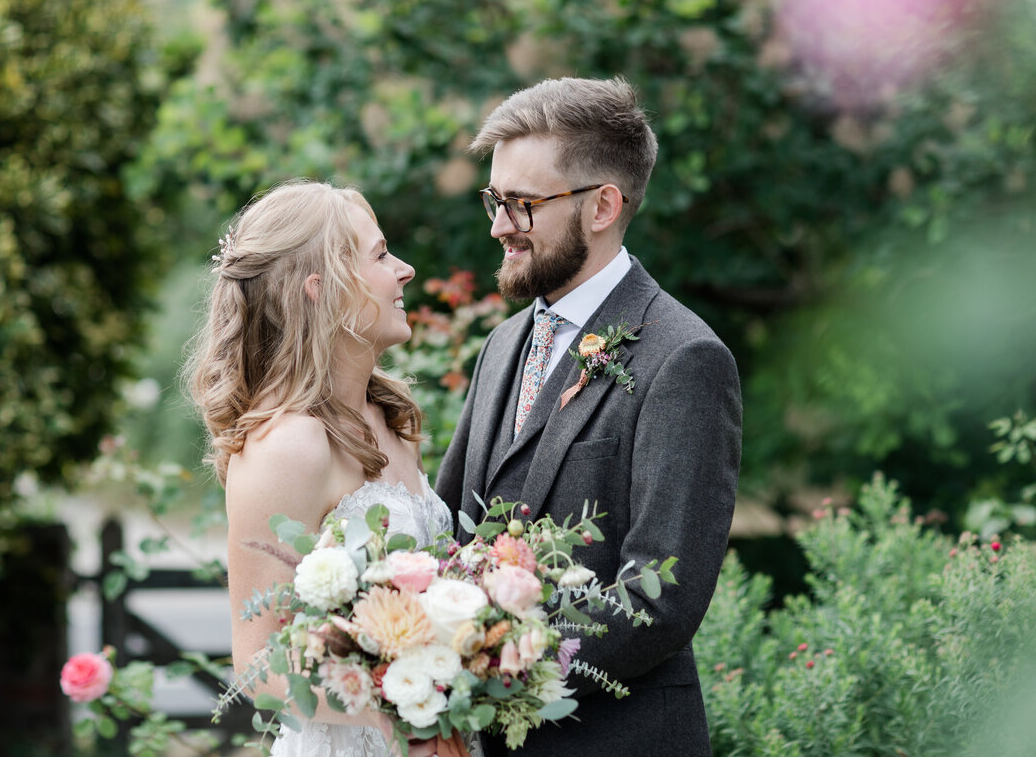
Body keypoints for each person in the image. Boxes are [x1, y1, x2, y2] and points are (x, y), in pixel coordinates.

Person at [435, 77, 742, 756]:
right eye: (494, 200)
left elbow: (660, 601)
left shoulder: (684, 358)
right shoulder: (503, 344)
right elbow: (449, 522)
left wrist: (496, 657)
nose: (497, 227)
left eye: (521, 205)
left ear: (602, 206)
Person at [186, 181, 467, 757]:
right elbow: (261, 664)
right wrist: (408, 717)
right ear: (324, 290)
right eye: (382, 255)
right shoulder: (287, 446)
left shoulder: (392, 419)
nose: (406, 270)